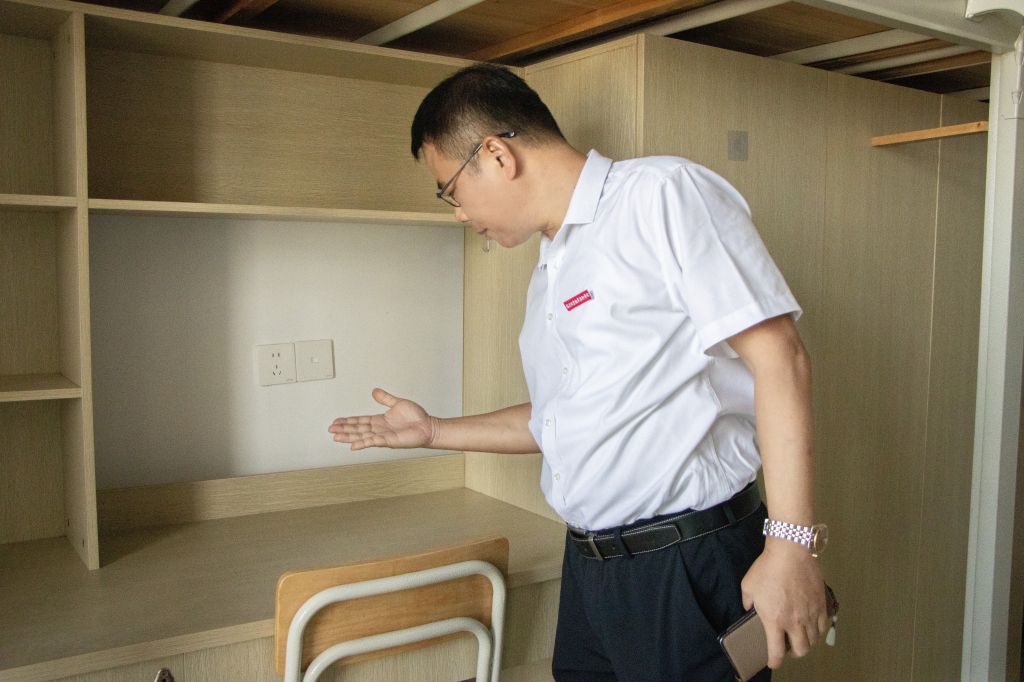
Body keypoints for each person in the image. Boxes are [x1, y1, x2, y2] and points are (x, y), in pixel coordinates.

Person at [329, 64, 829, 681]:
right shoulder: (553, 266)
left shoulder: (661, 195)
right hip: (591, 566)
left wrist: (791, 546)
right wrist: (434, 431)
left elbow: (781, 358)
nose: (457, 213)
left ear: (497, 155)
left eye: (449, 190)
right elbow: (562, 422)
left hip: (684, 560)